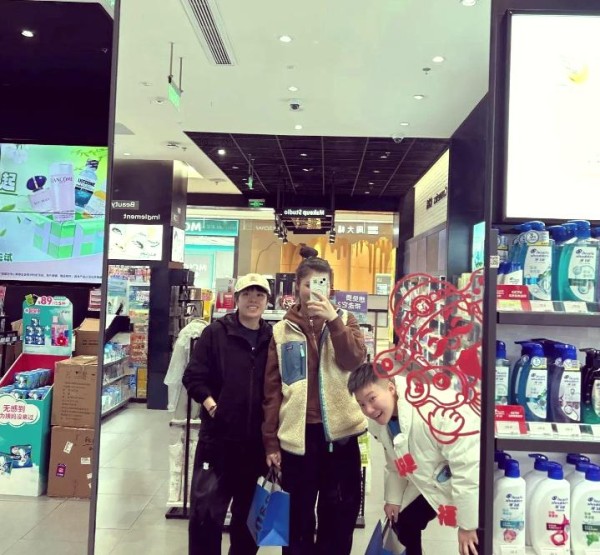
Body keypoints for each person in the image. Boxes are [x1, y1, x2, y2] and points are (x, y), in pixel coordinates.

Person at [262, 246, 367, 555]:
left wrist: (334, 321)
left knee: (339, 516)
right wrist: (270, 442)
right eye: (308, 283)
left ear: (330, 287)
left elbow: (353, 360)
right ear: (297, 286)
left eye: (321, 283)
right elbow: (272, 391)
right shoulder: (281, 331)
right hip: (298, 439)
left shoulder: (346, 321)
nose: (314, 290)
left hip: (341, 438)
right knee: (297, 519)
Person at [183, 273, 273, 555]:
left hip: (255, 447)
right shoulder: (215, 333)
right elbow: (193, 377)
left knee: (248, 522)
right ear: (236, 299)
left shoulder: (273, 338)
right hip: (217, 443)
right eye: (247, 294)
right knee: (206, 515)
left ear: (267, 301)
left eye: (259, 294)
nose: (253, 300)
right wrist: (213, 407)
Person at [347, 363, 480, 555]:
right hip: (431, 476)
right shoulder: (380, 422)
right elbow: (395, 461)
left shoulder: (434, 411)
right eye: (361, 404)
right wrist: (393, 499)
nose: (368, 409)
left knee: (473, 541)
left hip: (472, 480)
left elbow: (467, 469)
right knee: (404, 521)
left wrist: (467, 525)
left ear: (391, 388)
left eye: (372, 398)